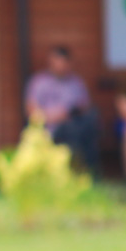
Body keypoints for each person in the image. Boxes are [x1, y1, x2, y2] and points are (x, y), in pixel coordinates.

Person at [25, 45, 101, 177]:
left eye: (64, 63)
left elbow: (85, 106)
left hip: (75, 123)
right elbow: (32, 111)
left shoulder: (76, 82)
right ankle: (80, 173)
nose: (61, 67)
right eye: (57, 63)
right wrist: (54, 116)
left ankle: (90, 172)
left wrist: (71, 112)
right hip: (51, 127)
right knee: (73, 130)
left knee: (91, 119)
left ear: (69, 64)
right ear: (51, 62)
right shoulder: (39, 82)